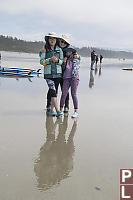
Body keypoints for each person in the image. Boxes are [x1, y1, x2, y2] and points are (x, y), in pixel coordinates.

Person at [40, 32, 63, 117]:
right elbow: (41, 62)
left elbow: (61, 62)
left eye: (54, 38)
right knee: (53, 90)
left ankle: (51, 109)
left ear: (56, 40)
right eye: (50, 38)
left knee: (54, 92)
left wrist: (57, 60)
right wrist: (49, 59)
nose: (52, 40)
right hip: (48, 74)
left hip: (57, 74)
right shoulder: (44, 49)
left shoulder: (59, 50)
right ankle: (58, 111)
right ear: (48, 40)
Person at [60, 48, 80, 118]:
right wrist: (64, 62)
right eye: (66, 52)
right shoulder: (65, 59)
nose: (67, 53)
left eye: (69, 52)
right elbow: (62, 68)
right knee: (63, 94)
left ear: (72, 52)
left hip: (74, 78)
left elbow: (76, 67)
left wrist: (74, 76)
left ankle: (76, 112)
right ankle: (60, 110)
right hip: (66, 78)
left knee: (73, 94)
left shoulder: (76, 58)